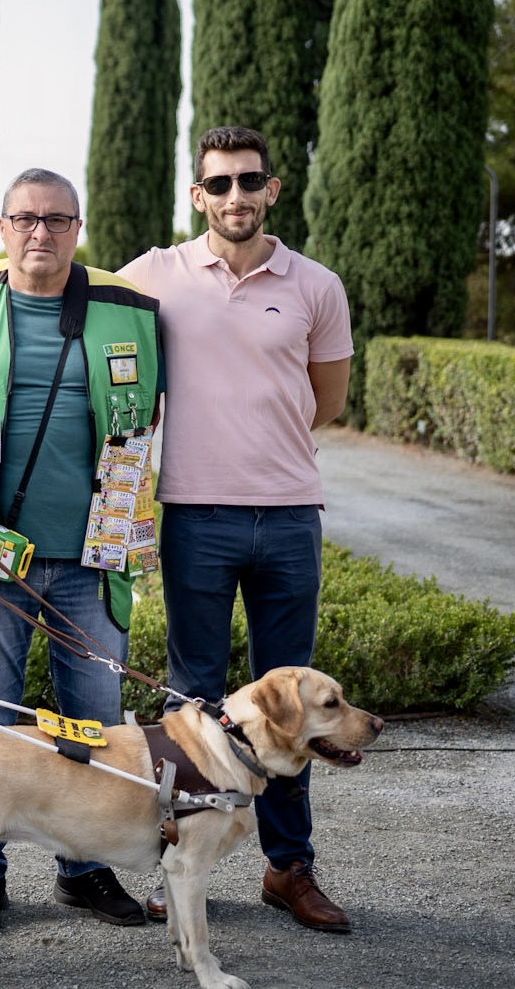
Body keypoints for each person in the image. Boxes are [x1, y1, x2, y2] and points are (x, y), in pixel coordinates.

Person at [0, 168, 163, 934]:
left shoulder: (126, 311)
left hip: (89, 558)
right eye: (24, 219)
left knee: (93, 720)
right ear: (1, 226)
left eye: (55, 219)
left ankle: (84, 867)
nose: (39, 232)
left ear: (76, 228)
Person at [119, 126, 354, 931]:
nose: (233, 197)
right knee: (193, 700)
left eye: (247, 181)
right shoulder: (155, 274)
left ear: (271, 189)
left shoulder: (316, 284)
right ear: (197, 195)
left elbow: (327, 399)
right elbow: (49, 285)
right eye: (217, 184)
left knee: (295, 710)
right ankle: (180, 860)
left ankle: (288, 869)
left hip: (290, 514)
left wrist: (265, 442)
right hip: (194, 516)